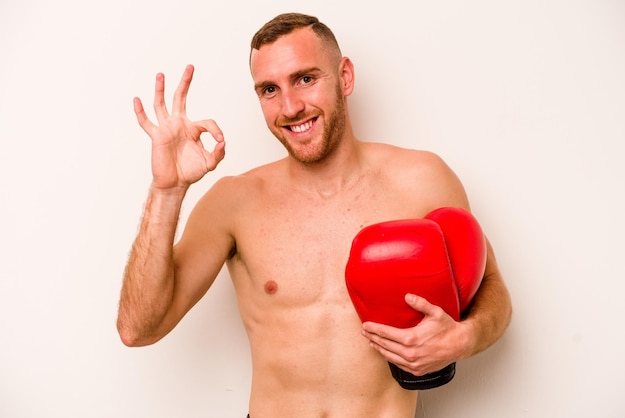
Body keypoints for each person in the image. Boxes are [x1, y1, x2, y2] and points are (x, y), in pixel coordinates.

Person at [117, 12, 512, 418]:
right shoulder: (234, 201)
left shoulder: (422, 180)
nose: (290, 106)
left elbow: (493, 290)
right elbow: (138, 329)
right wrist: (167, 190)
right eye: (269, 89)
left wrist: (463, 338)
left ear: (344, 77)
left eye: (306, 79)